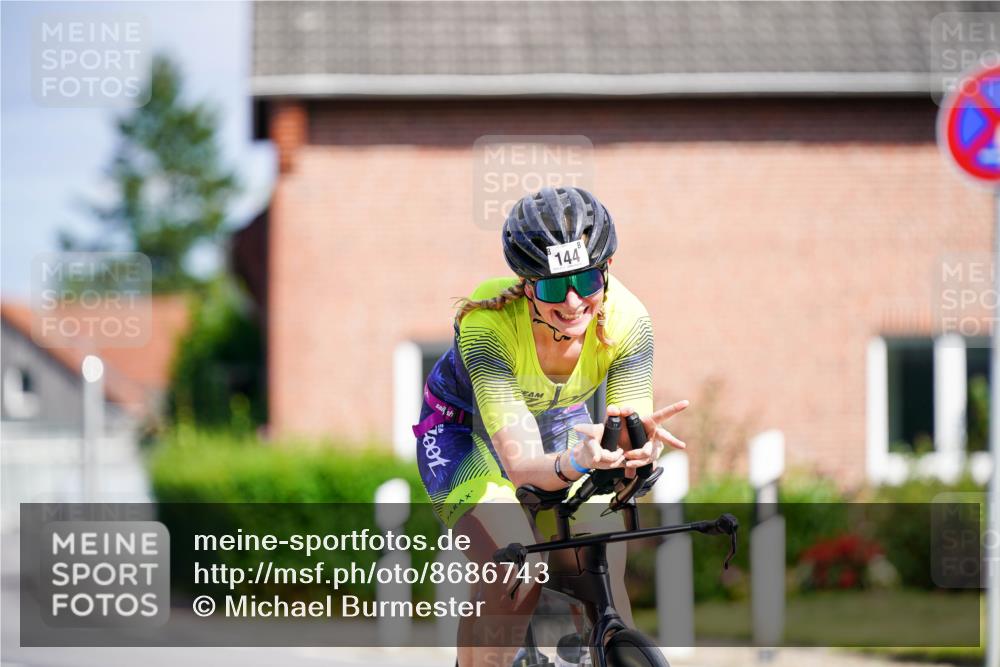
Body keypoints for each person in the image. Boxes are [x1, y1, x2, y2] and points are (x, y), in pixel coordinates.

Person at [414, 187, 688, 667]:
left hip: (561, 421)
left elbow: (626, 428)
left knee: (597, 564)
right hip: (463, 431)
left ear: (607, 269)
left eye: (585, 279)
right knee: (515, 568)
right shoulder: (487, 324)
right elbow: (521, 464)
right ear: (525, 285)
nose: (574, 300)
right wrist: (579, 460)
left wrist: (634, 450)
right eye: (553, 286)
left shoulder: (631, 323)